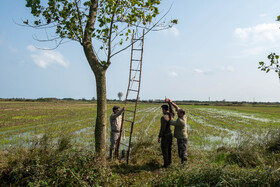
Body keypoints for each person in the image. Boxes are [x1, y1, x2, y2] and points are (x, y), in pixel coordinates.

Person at [166, 98, 188, 165]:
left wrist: (171, 116)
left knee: (183, 151)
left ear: (182, 114)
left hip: (182, 138)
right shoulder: (183, 116)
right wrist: (171, 102)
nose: (177, 113)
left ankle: (184, 164)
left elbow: (172, 122)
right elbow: (177, 107)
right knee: (181, 150)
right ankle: (183, 163)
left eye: (178, 113)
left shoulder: (181, 121)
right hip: (181, 137)